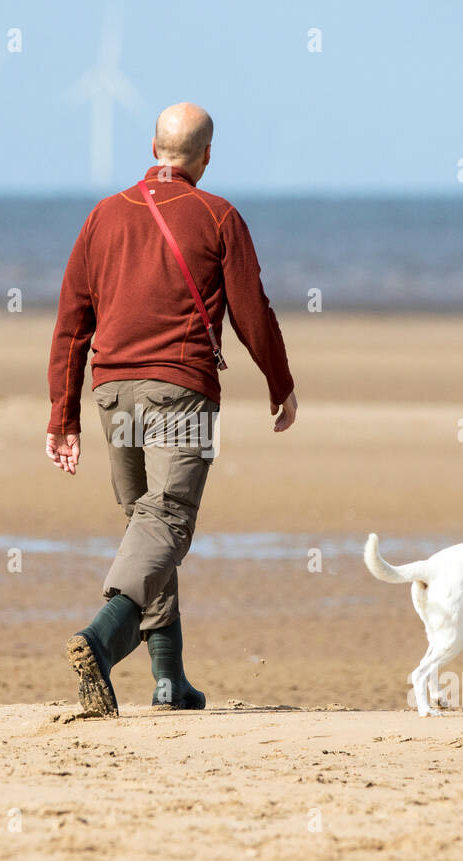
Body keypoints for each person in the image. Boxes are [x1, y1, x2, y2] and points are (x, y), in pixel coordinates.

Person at [46, 102, 298, 717]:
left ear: (152, 146)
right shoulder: (218, 214)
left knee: (147, 527)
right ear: (206, 156)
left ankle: (169, 679)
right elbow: (251, 311)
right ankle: (103, 639)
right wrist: (280, 382)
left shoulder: (102, 216)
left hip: (112, 392)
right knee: (168, 521)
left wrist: (64, 415)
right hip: (179, 390)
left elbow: (71, 324)